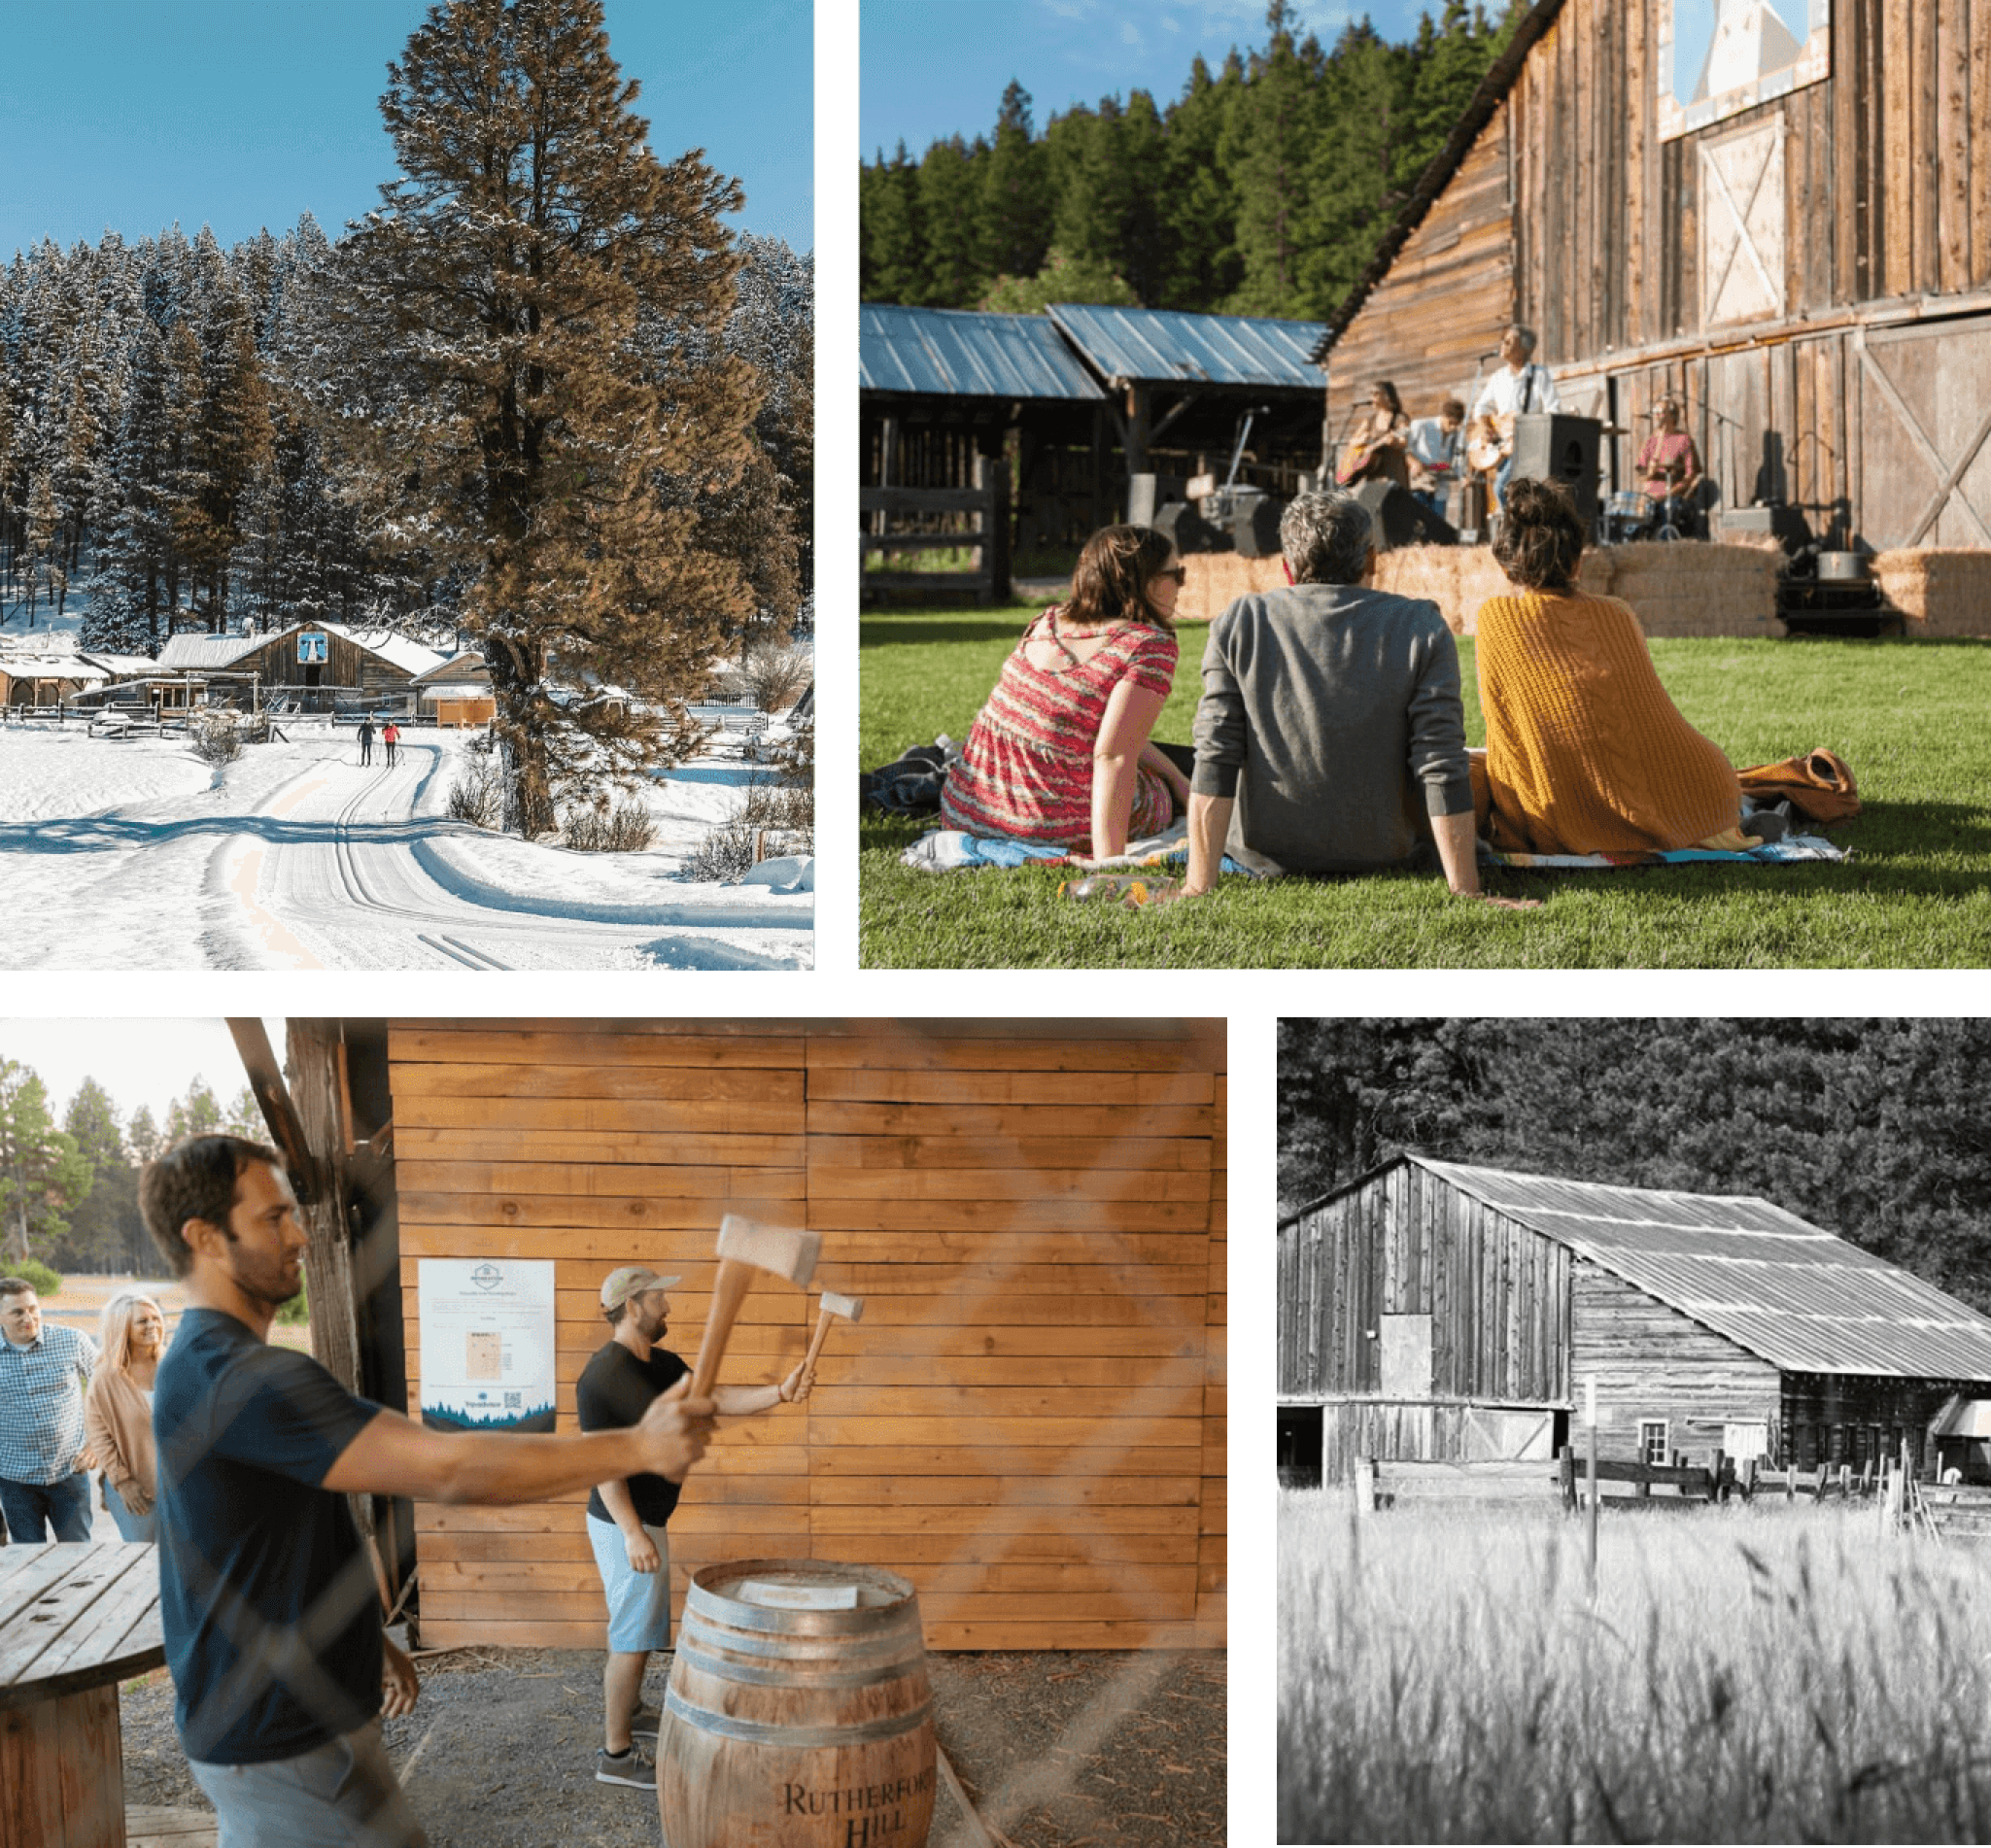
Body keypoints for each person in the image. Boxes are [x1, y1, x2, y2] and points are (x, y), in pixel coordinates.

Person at [136, 1133, 715, 1848]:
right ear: (205, 1238)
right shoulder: (241, 1380)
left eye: (294, 1214)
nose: (300, 1237)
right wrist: (638, 1445)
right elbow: (445, 1467)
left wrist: (367, 1638)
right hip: (278, 1738)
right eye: (273, 1218)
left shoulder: (213, 1366)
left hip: (290, 1724)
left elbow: (284, 1529)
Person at [1176, 488, 1538, 908]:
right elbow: (1440, 760)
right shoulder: (1421, 624)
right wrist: (1467, 890)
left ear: (1287, 568)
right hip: (1388, 850)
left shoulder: (1239, 621)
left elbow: (1216, 755)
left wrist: (1196, 888)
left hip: (1262, 853)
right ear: (1371, 559)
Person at [580, 1265, 814, 1792]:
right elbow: (604, 1465)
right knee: (631, 1637)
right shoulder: (601, 1378)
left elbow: (715, 1398)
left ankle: (635, 1710)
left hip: (646, 1520)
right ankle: (616, 1755)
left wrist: (780, 1391)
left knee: (641, 1629)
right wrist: (634, 1533)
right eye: (660, 1297)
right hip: (624, 1523)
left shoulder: (661, 1364)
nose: (668, 1306)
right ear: (634, 1305)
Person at [1472, 477, 1758, 854]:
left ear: (1508, 562)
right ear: (1577, 559)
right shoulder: (1617, 613)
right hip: (1705, 790)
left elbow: (1506, 732)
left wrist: (1515, 816)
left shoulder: (1496, 619)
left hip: (1570, 804)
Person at [938, 524, 1190, 855]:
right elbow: (1113, 755)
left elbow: (1091, 733)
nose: (1181, 587)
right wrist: (1109, 862)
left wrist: (1176, 777)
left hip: (968, 810)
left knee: (1168, 771)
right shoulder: (1146, 646)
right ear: (1147, 581)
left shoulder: (1047, 621)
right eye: (1177, 574)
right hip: (1047, 824)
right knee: (1160, 795)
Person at [0, 1278, 99, 1543]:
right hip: (15, 1482)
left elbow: (108, 1390)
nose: (28, 1317)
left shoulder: (72, 1341)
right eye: (17, 1312)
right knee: (31, 1563)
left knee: (79, 1559)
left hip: (69, 1473)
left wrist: (94, 1445)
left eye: (33, 1308)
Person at [86, 1291, 166, 1542]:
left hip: (181, 1487)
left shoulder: (173, 1365)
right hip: (137, 1488)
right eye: (142, 1321)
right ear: (122, 1327)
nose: (152, 1325)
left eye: (155, 1317)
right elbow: (100, 1437)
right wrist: (123, 1482)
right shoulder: (106, 1378)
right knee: (143, 1562)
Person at [1469, 325, 1562, 510]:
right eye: (1503, 340)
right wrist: (1487, 427)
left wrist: (1531, 426)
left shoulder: (1539, 375)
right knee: (1513, 495)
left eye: (1509, 341)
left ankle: (1516, 533)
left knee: (1504, 488)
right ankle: (1519, 533)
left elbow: (1554, 411)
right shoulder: (1498, 377)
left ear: (1524, 349)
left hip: (1529, 445)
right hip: (1504, 446)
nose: (1502, 344)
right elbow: (1480, 407)